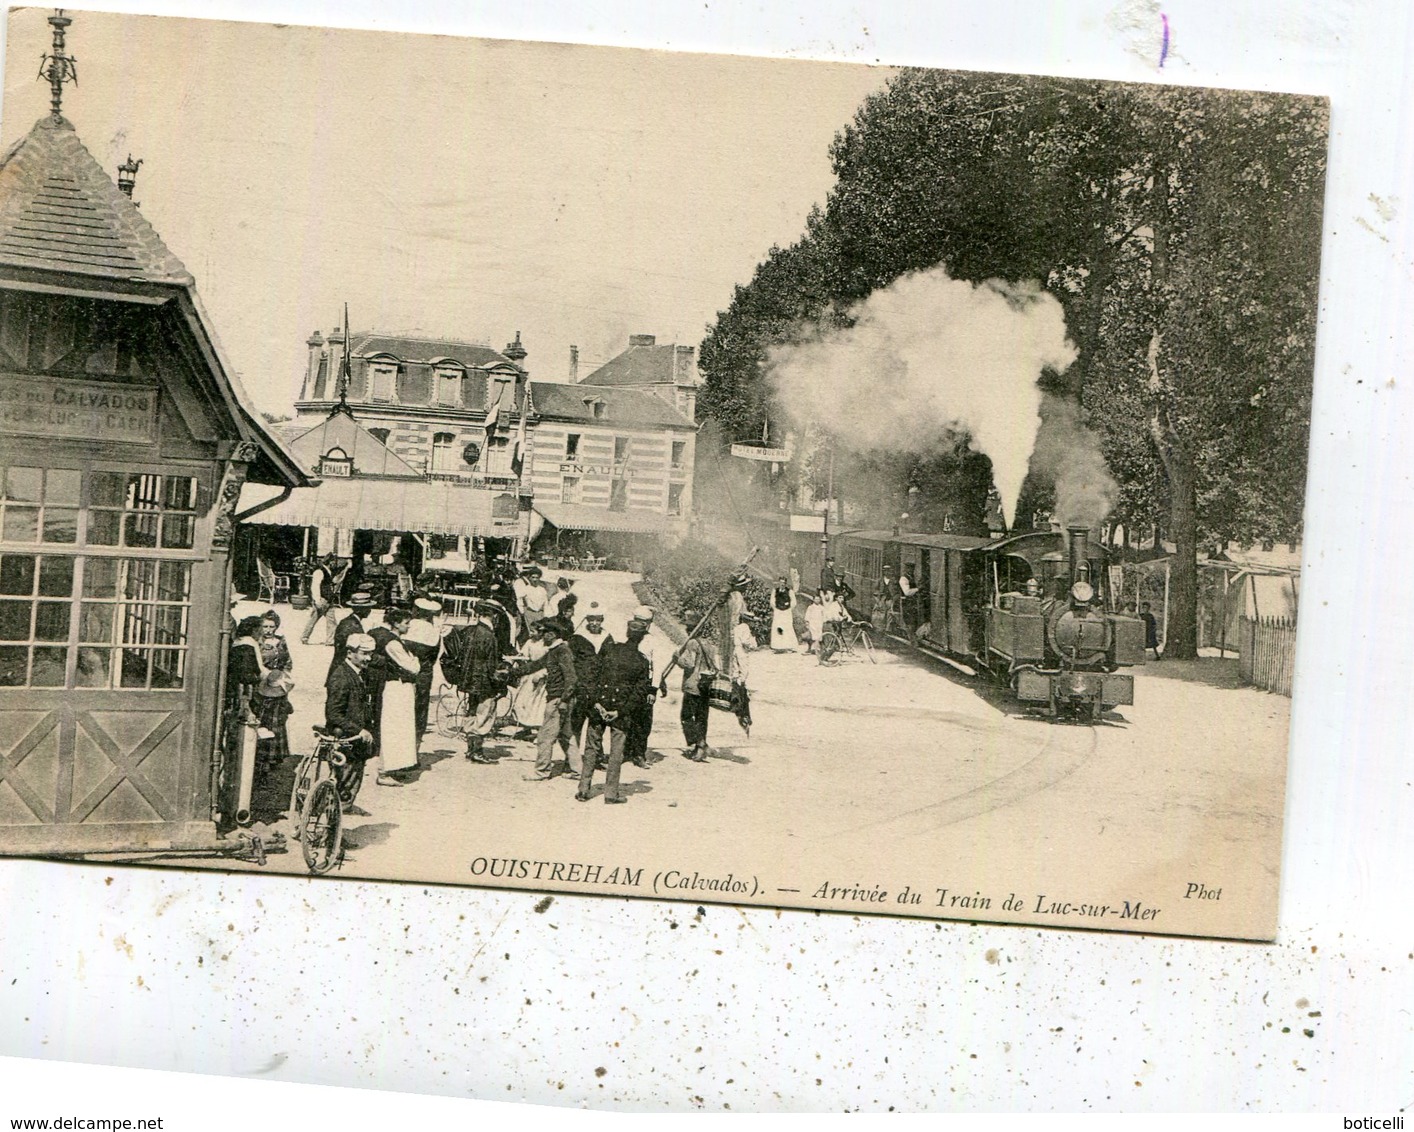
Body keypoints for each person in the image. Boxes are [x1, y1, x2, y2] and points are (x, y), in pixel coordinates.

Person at [578, 622, 653, 805]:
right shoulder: (642, 661)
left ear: (627, 632)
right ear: (642, 637)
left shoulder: (609, 649)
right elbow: (638, 693)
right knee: (616, 752)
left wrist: (595, 702)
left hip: (599, 707)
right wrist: (620, 711)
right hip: (620, 713)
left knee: (591, 748)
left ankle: (583, 789)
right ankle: (611, 793)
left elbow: (592, 675)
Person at [514, 616, 579, 780]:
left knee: (544, 736)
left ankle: (541, 771)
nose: (542, 637)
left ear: (553, 634)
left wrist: (563, 701)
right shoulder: (554, 651)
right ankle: (577, 770)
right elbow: (533, 666)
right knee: (566, 736)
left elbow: (571, 679)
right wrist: (510, 673)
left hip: (558, 699)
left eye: (545, 633)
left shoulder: (562, 651)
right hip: (561, 699)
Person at [442, 601, 503, 764]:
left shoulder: (470, 631)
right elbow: (491, 664)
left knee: (471, 712)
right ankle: (477, 751)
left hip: (470, 681)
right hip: (484, 682)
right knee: (484, 715)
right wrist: (499, 683)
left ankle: (471, 749)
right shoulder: (489, 635)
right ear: (493, 615)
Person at [324, 632, 376, 808]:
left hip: (355, 741)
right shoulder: (341, 677)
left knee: (348, 785)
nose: (368, 658)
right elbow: (333, 714)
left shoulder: (358, 673)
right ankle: (331, 830)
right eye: (364, 653)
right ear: (349, 653)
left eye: (370, 653)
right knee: (344, 788)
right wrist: (358, 730)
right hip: (346, 740)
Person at [368, 606, 419, 785]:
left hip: (389, 686)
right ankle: (384, 770)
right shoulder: (393, 643)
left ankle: (392, 766)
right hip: (397, 686)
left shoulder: (378, 634)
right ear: (396, 624)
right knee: (395, 728)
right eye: (406, 623)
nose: (409, 627)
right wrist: (415, 659)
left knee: (396, 727)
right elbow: (413, 667)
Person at [568, 604, 615, 760]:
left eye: (598, 620)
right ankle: (572, 760)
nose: (595, 623)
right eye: (592, 620)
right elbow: (570, 662)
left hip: (599, 687)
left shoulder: (607, 637)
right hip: (581, 687)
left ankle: (595, 757)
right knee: (576, 723)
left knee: (596, 723)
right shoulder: (577, 638)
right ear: (587, 620)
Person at [671, 612, 719, 762]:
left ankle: (699, 743)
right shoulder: (710, 644)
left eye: (688, 627)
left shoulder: (692, 643)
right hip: (706, 685)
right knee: (702, 717)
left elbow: (689, 664)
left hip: (693, 685)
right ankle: (700, 745)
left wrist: (677, 658)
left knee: (686, 716)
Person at [622, 606, 662, 768]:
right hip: (628, 683)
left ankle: (638, 753)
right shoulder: (627, 636)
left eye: (644, 622)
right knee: (627, 717)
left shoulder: (652, 641)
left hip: (645, 684)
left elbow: (657, 667)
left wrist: (653, 690)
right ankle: (626, 751)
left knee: (643, 720)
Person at [253, 610, 294, 765]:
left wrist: (283, 677)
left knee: (277, 721)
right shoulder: (256, 642)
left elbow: (288, 662)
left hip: (278, 686)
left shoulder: (280, 641)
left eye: (272, 626)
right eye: (265, 626)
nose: (269, 630)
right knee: (261, 719)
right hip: (261, 686)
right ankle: (258, 757)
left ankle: (274, 757)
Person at [403, 596, 442, 741]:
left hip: (405, 669)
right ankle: (417, 734)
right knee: (421, 703)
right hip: (424, 671)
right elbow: (434, 657)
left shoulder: (409, 626)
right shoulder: (433, 631)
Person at [325, 591, 375, 686]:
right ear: (361, 610)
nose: (370, 610)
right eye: (368, 608)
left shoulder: (348, 621)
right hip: (344, 671)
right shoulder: (352, 626)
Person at [300, 554, 337, 645]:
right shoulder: (319, 572)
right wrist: (317, 600)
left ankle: (330, 640)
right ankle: (304, 637)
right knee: (313, 619)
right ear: (329, 561)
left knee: (331, 621)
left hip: (329, 599)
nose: (334, 563)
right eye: (333, 561)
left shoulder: (328, 572)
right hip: (322, 599)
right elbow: (315, 586)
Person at [770, 576, 798, 652]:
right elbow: (772, 601)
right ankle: (778, 647)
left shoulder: (790, 591)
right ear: (779, 583)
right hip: (778, 612)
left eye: (783, 583)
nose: (782, 584)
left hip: (787, 612)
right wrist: (776, 609)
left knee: (787, 628)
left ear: (785, 583)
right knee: (778, 628)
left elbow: (794, 602)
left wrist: (788, 609)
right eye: (781, 582)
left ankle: (789, 646)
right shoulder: (775, 591)